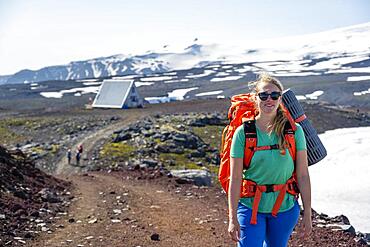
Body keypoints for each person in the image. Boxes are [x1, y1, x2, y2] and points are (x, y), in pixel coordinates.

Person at [228, 74, 312, 246]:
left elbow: (303, 175)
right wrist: (232, 217)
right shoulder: (243, 133)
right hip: (250, 207)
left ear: (280, 98)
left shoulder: (294, 131)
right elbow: (235, 178)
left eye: (275, 95)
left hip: (285, 209)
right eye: (264, 95)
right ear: (255, 98)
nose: (269, 100)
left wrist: (308, 215)